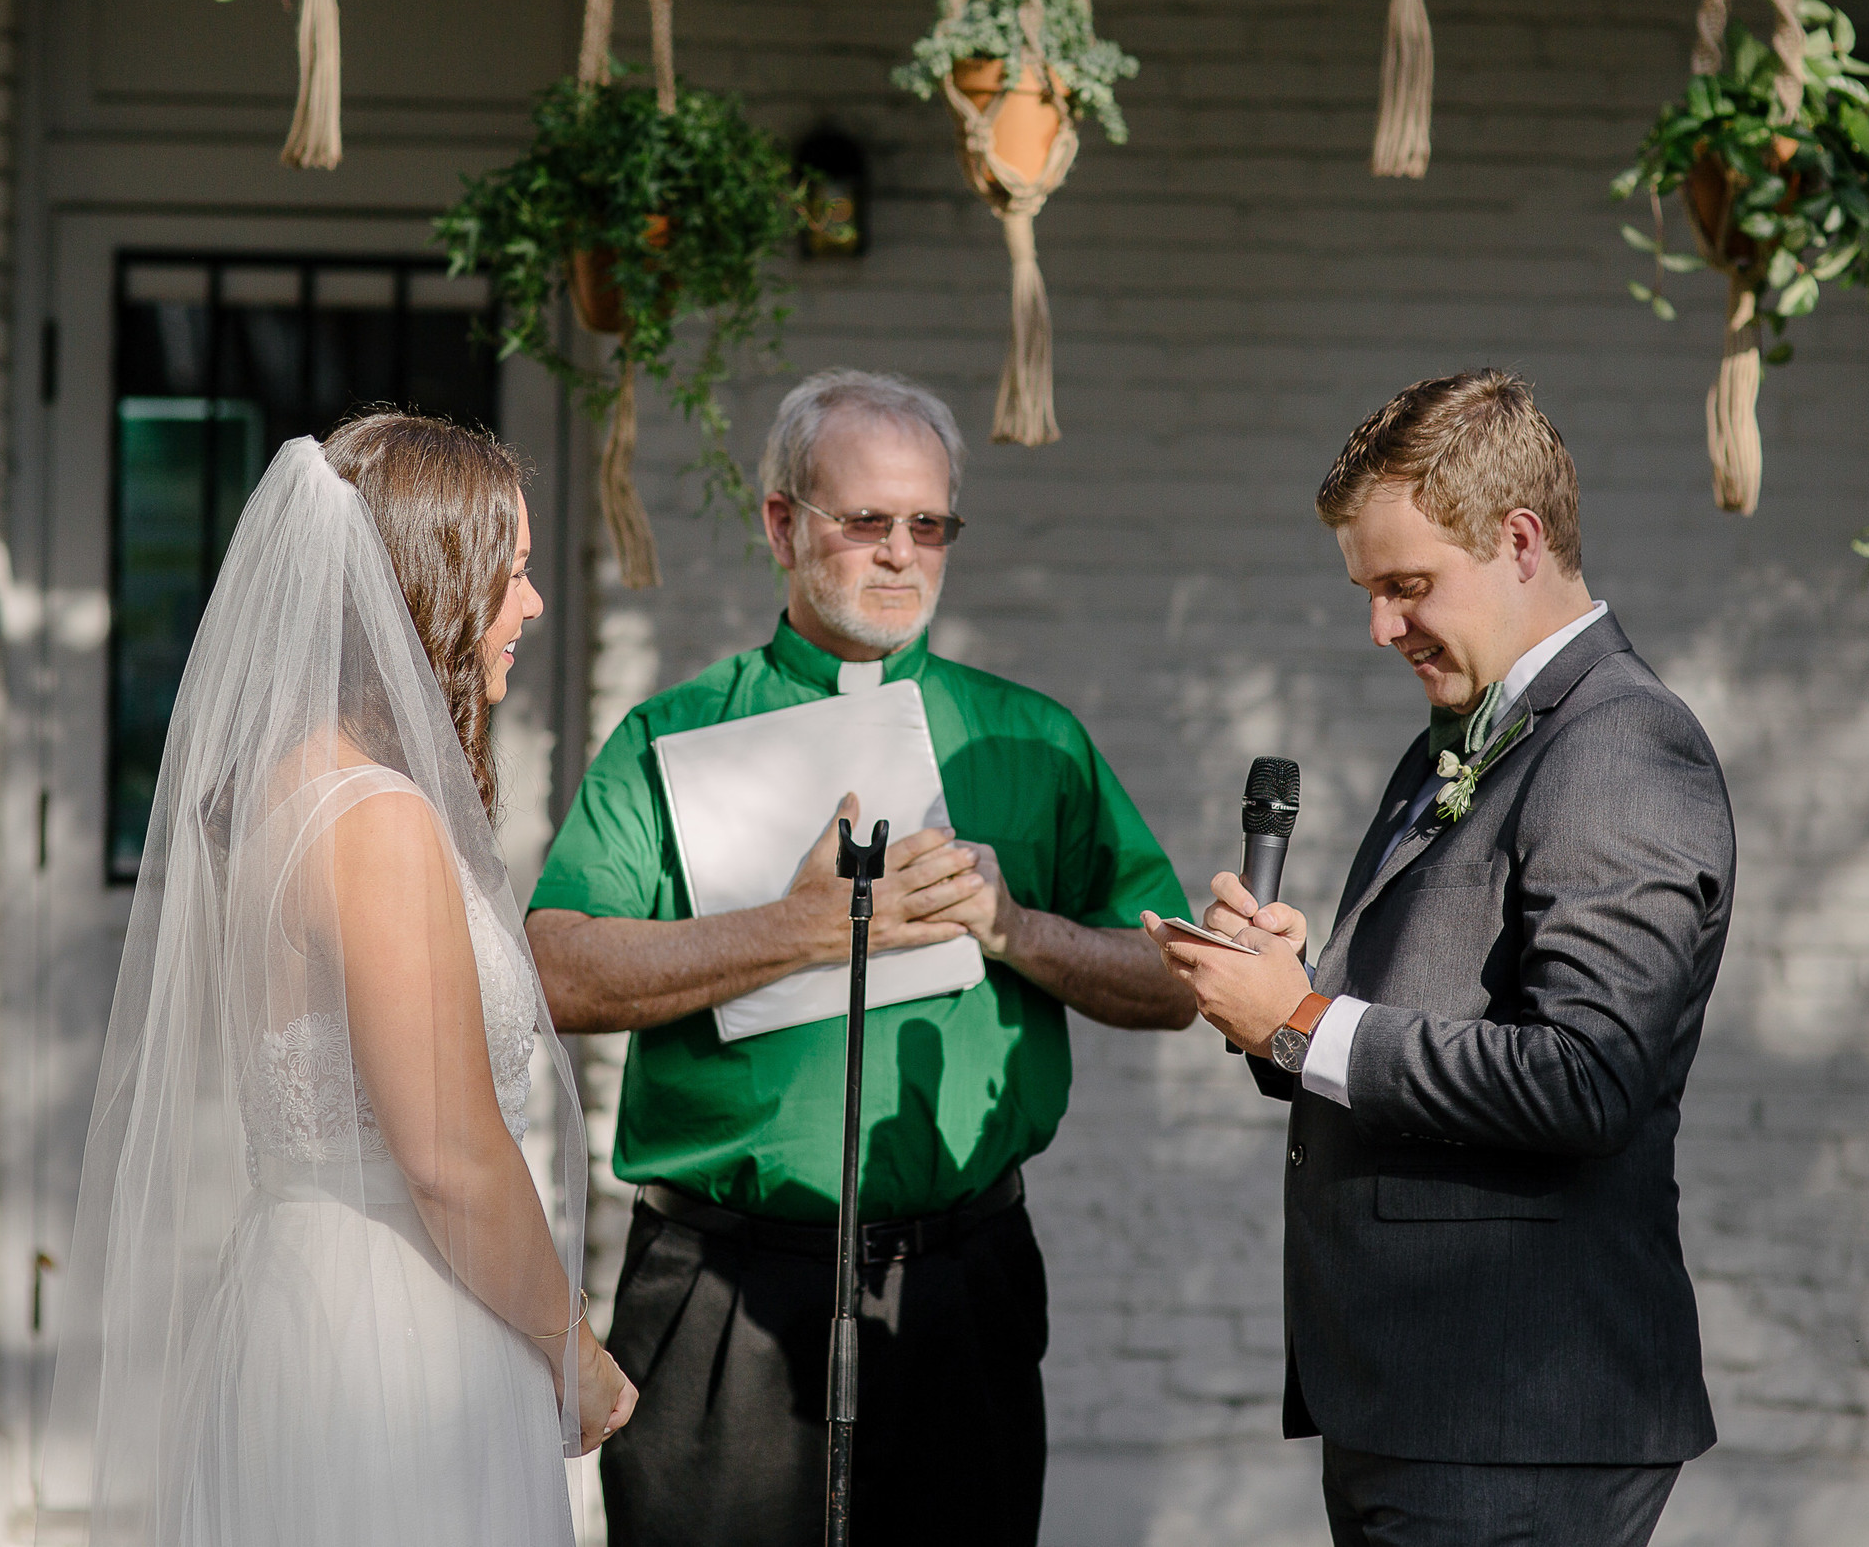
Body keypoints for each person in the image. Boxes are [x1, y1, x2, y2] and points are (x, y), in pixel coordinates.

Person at [527, 368, 1195, 1547]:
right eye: (866, 521)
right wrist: (803, 926)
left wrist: (1012, 927)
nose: (901, 554)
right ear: (784, 523)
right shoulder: (669, 734)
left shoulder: (1030, 739)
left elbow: (1171, 984)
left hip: (956, 1278)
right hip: (722, 1281)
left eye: (928, 525)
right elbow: (556, 972)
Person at [1159, 371, 1732, 1547]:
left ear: (1518, 541)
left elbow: (1588, 1077)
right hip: (1419, 1394)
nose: (1379, 626)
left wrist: (1305, 1023)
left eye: (1406, 585)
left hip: (1516, 1405)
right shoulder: (1465, 736)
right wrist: (1286, 993)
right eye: (1369, 591)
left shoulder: (1620, 746)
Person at [45, 413, 635, 1547]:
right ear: (434, 589)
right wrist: (580, 1357)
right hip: (398, 1339)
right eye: (508, 578)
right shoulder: (378, 821)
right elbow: (452, 1159)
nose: (533, 607)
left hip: (301, 1297)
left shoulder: (283, 794)